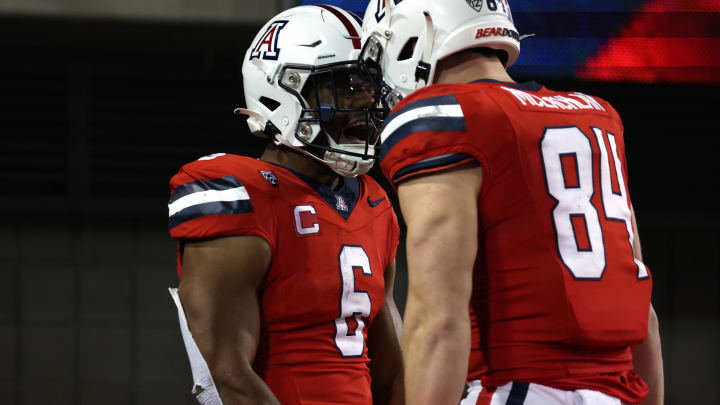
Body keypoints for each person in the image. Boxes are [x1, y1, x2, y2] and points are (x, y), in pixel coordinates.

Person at [360, 1, 664, 404]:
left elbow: (438, 319)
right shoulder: (597, 116)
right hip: (621, 391)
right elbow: (644, 310)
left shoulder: (444, 117)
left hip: (518, 388)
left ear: (415, 33)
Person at [166, 5, 403, 405]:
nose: (364, 102)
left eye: (368, 86)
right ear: (281, 90)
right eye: (345, 88)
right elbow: (229, 375)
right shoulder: (238, 191)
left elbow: (393, 374)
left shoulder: (374, 202)